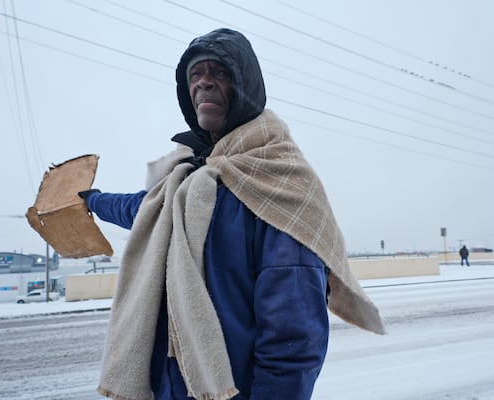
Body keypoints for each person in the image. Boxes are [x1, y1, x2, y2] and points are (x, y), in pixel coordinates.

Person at [80, 28, 385, 400]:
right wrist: (93, 200)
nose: (204, 83)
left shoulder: (281, 183)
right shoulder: (184, 180)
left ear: (246, 86)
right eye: (196, 75)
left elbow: (293, 336)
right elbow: (143, 211)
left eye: (219, 72)